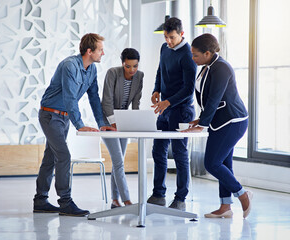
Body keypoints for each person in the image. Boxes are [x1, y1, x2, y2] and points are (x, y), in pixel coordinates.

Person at [33, 33, 115, 217]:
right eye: (100, 50)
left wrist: (101, 123)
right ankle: (65, 202)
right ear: (89, 51)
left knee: (50, 157)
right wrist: (80, 125)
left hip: (63, 118)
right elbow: (70, 97)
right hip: (50, 116)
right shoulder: (70, 65)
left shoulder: (92, 69)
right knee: (63, 156)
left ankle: (40, 200)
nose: (103, 53)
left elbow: (94, 97)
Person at [184, 33, 252, 218]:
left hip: (232, 121)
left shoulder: (221, 68)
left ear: (207, 53)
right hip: (219, 121)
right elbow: (209, 100)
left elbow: (214, 98)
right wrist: (202, 119)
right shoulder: (208, 66)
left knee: (212, 163)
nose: (193, 58)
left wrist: (203, 123)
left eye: (195, 55)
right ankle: (225, 207)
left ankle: (242, 194)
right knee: (224, 164)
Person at [147, 17, 197, 211]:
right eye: (166, 37)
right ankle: (158, 194)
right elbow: (160, 70)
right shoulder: (164, 48)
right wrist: (156, 90)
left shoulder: (188, 54)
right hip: (165, 109)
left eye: (172, 37)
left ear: (181, 34)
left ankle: (180, 199)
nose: (168, 41)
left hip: (182, 110)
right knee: (158, 151)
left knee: (179, 153)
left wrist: (168, 102)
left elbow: (188, 89)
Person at [101, 48, 144, 208]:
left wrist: (136, 122)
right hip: (107, 121)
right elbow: (106, 100)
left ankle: (114, 200)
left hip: (124, 122)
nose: (132, 70)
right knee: (119, 162)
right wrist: (114, 123)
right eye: (128, 66)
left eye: (135, 66)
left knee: (118, 162)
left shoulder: (139, 77)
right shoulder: (112, 73)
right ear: (122, 64)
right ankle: (126, 200)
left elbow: (136, 103)